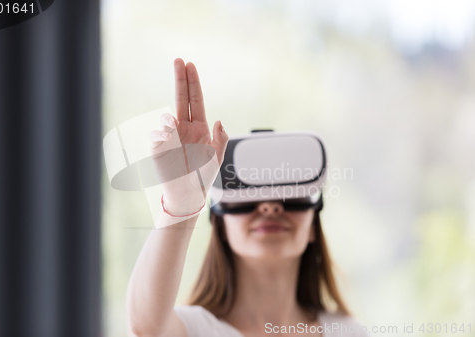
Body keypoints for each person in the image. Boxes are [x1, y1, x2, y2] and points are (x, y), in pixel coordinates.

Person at [126, 58, 369, 337]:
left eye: (288, 194)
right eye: (248, 196)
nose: (269, 206)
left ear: (313, 225)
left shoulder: (349, 332)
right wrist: (181, 203)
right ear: (221, 226)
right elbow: (146, 328)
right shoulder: (195, 330)